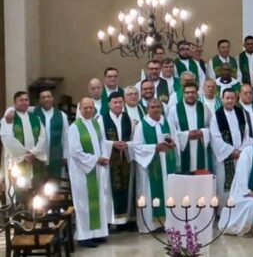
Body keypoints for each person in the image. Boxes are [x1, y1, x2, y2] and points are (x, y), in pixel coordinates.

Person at [67, 98, 113, 248]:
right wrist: (95, 159)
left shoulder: (96, 123)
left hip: (96, 169)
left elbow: (102, 143)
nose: (88, 110)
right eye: (85, 108)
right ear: (79, 109)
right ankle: (84, 236)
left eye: (90, 107)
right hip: (82, 172)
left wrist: (104, 157)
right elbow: (75, 151)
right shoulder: (75, 127)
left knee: (98, 201)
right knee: (84, 203)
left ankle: (97, 233)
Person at [132, 99, 177, 233]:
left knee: (168, 192)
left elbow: (175, 140)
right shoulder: (142, 125)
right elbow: (137, 147)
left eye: (158, 107)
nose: (156, 109)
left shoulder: (167, 122)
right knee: (150, 192)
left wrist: (173, 144)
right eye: (152, 107)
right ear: (147, 109)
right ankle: (151, 225)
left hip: (167, 164)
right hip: (150, 166)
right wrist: (155, 148)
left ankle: (168, 222)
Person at [211, 88, 253, 206]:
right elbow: (215, 138)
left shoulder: (241, 113)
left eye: (232, 98)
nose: (230, 101)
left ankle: (239, 209)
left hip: (240, 156)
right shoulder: (216, 116)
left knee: (241, 183)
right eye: (227, 98)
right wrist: (231, 152)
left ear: (236, 99)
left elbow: (246, 133)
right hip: (226, 157)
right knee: (226, 185)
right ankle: (225, 211)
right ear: (222, 99)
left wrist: (241, 151)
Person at [0, 91, 47, 188]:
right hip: (17, 160)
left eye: (26, 100)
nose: (24, 102)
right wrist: (25, 154)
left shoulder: (36, 118)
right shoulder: (7, 119)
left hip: (35, 159)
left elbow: (43, 137)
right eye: (21, 100)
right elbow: (7, 139)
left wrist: (33, 153)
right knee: (20, 191)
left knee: (37, 190)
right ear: (15, 103)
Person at [102, 92, 135, 229]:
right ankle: (111, 221)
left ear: (124, 103)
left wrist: (127, 145)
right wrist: (112, 144)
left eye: (120, 102)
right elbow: (99, 140)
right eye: (115, 102)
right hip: (110, 161)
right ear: (109, 104)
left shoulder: (129, 119)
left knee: (126, 189)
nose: (118, 105)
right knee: (111, 189)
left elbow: (135, 139)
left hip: (125, 159)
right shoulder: (101, 120)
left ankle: (124, 221)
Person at [169, 80, 213, 174]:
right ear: (183, 94)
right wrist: (186, 135)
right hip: (183, 150)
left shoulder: (204, 108)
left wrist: (203, 132)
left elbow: (212, 127)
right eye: (187, 92)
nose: (190, 95)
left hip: (201, 148)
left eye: (193, 92)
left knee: (200, 177)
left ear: (197, 93)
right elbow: (171, 131)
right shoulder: (174, 110)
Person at [36, 88, 69, 182]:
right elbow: (16, 108)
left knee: (54, 184)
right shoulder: (33, 113)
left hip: (56, 155)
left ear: (53, 99)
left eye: (48, 96)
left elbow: (66, 136)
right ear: (39, 100)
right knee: (38, 183)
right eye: (43, 97)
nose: (46, 99)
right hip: (38, 155)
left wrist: (65, 155)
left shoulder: (62, 115)